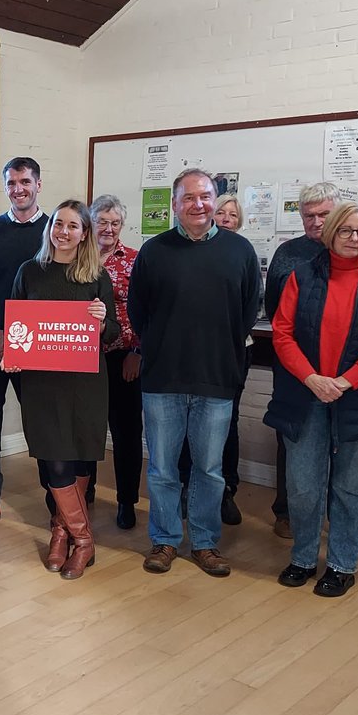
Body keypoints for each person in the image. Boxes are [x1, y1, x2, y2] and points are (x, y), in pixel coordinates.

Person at [266, 202, 358, 597]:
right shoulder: (302, 274)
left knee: (350, 486)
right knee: (303, 485)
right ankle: (303, 558)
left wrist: (344, 382)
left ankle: (343, 565)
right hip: (306, 393)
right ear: (330, 233)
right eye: (346, 230)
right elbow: (282, 333)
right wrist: (312, 379)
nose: (355, 238)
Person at [128, 169, 260, 578]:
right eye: (189, 198)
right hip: (163, 378)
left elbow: (246, 312)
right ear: (175, 204)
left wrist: (219, 351)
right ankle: (165, 541)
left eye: (205, 196)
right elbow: (138, 311)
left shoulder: (240, 251)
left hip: (216, 378)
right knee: (163, 469)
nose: (198, 204)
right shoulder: (154, 252)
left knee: (209, 469)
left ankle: (204, 543)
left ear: (215, 200)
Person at [5, 200, 119, 579]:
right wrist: (11, 352)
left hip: (85, 382)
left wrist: (103, 323)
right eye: (58, 224)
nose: (64, 232)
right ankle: (82, 539)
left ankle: (61, 531)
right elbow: (17, 325)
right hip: (42, 383)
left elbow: (114, 333)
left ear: (84, 234)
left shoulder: (96, 276)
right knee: (54, 459)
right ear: (50, 227)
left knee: (81, 458)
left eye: (73, 226)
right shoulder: (30, 272)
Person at [0, 156, 50, 529]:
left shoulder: (56, 230)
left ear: (38, 185)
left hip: (36, 345)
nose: (19, 189)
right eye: (12, 183)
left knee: (42, 422)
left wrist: (19, 336)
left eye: (25, 182)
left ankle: (58, 500)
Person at [264, 182, 340, 539]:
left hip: (342, 367)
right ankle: (287, 511)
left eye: (324, 214)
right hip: (292, 364)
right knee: (291, 435)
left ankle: (330, 511)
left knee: (339, 440)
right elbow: (274, 306)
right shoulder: (287, 253)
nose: (316, 221)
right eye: (309, 215)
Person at [176, 193, 252, 526]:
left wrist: (227, 342)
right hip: (184, 354)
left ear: (238, 221)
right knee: (185, 427)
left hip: (230, 353)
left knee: (225, 424)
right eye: (219, 212)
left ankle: (225, 492)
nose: (223, 218)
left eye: (230, 215)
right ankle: (186, 489)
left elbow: (251, 306)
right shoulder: (173, 250)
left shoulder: (242, 253)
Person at [89, 194, 143, 531]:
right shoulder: (77, 260)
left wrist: (137, 352)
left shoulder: (136, 261)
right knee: (89, 429)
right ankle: (87, 490)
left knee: (126, 433)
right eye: (102, 222)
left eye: (115, 223)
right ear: (91, 224)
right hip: (84, 357)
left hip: (124, 357)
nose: (109, 229)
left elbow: (146, 311)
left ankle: (126, 501)